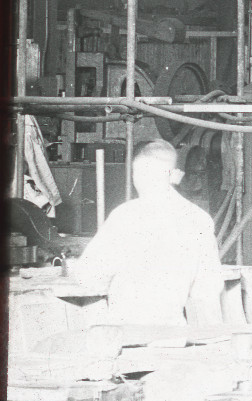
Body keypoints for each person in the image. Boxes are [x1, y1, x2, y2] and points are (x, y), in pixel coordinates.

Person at [72, 139, 225, 330]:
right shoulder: (200, 219)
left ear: (137, 174)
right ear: (174, 175)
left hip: (125, 337)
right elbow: (208, 289)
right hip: (172, 338)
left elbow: (88, 277)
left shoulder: (125, 215)